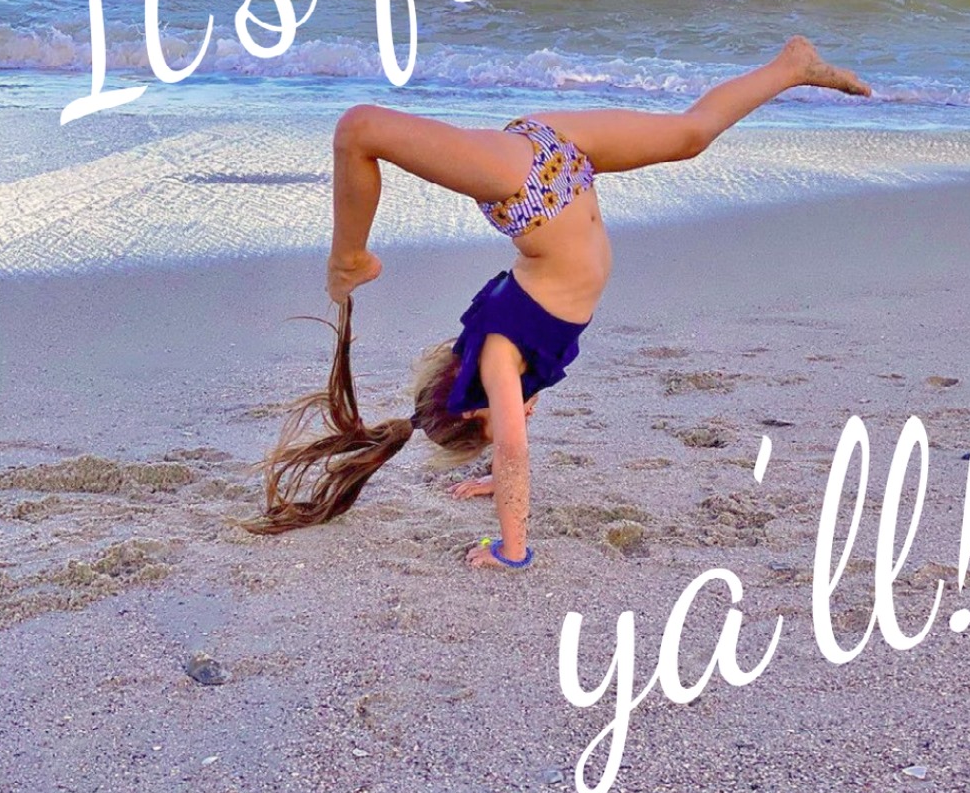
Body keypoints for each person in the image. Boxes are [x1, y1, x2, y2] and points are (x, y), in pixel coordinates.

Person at [239, 36, 871, 569]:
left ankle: (348, 257)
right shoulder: (511, 369)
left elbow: (513, 447)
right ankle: (792, 66)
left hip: (523, 184)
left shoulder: (497, 361)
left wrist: (511, 548)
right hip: (563, 154)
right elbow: (508, 438)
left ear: (478, 409)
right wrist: (491, 479)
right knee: (690, 135)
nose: (517, 419)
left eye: (494, 426)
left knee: (359, 130)